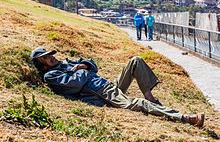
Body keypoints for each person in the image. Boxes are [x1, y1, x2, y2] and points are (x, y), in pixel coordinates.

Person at [31, 47, 205, 127]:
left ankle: (149, 95)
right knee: (138, 104)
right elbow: (75, 84)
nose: (52, 57)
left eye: (51, 54)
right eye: (46, 57)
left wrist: (84, 65)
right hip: (103, 94)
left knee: (135, 61)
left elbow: (92, 64)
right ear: (41, 63)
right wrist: (82, 69)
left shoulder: (65, 63)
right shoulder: (51, 75)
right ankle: (185, 118)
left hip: (109, 84)